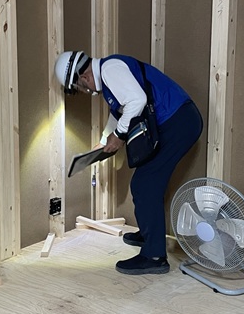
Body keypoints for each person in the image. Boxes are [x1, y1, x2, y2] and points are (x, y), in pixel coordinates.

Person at [54, 50, 203, 275]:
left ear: (84, 76)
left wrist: (119, 135)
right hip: (174, 122)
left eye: (81, 87)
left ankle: (154, 256)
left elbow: (137, 100)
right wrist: (103, 141)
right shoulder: (108, 76)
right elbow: (119, 112)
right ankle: (149, 235)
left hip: (179, 122)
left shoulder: (110, 69)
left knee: (145, 183)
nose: (86, 91)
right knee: (146, 182)